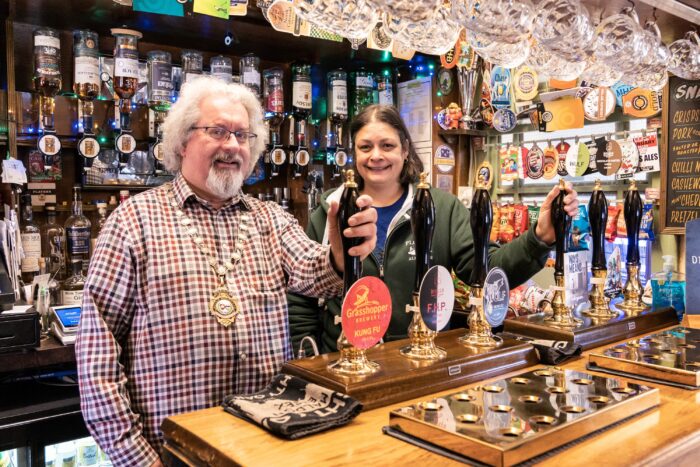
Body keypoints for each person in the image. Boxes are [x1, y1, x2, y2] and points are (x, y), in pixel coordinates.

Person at [75, 77, 377, 466]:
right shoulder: (133, 221)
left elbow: (317, 273)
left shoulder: (270, 218)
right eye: (217, 131)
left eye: (243, 135)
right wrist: (140, 459)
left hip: (266, 449)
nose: (232, 145)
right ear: (182, 142)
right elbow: (96, 358)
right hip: (174, 453)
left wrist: (341, 250)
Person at [288, 104, 579, 355]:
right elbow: (301, 296)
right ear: (355, 153)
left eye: (387, 146)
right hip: (343, 362)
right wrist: (310, 356)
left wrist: (539, 239)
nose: (376, 155)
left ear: (404, 150)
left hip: (419, 359)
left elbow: (486, 271)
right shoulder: (330, 211)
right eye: (365, 147)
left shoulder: (441, 208)